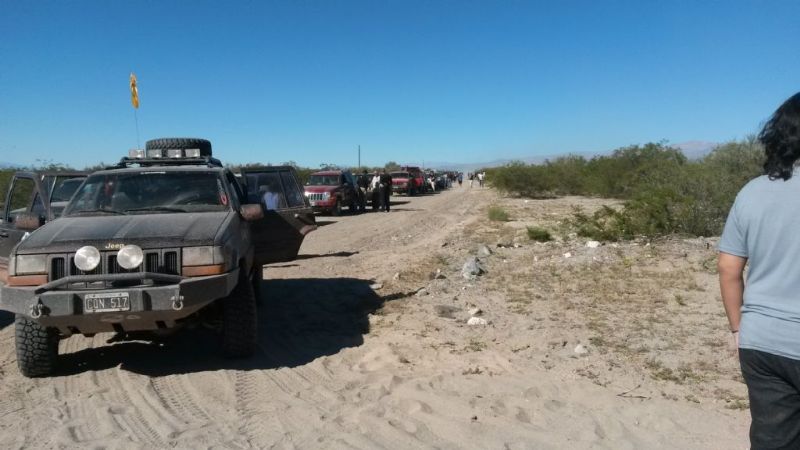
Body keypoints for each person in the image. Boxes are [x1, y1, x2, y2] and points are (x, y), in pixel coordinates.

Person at [718, 92, 800, 449]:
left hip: (761, 339)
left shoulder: (751, 192)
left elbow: (728, 267)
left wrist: (738, 326)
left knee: (772, 441)